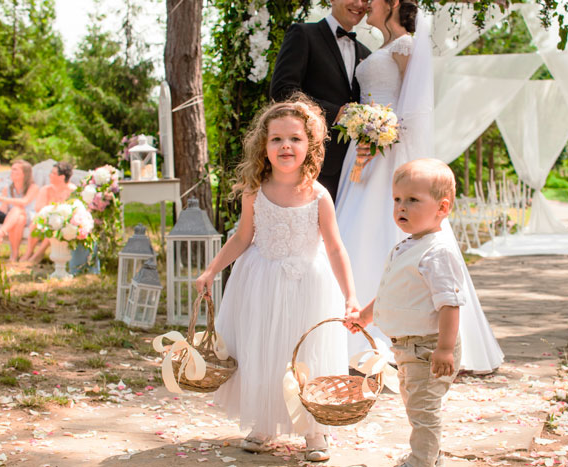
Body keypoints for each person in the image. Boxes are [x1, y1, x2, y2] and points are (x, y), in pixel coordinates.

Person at [335, 0, 504, 373]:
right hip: (364, 151)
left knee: (390, 223)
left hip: (389, 151)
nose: (365, 3)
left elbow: (413, 110)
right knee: (354, 230)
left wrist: (385, 133)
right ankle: (348, 327)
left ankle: (395, 333)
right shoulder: (374, 48)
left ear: (392, 2)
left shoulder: (406, 46)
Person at [195, 95, 358, 463]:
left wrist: (350, 296)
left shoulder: (319, 195)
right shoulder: (256, 192)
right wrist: (211, 270)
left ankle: (315, 430)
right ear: (263, 146)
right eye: (277, 139)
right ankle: (264, 423)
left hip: (309, 286)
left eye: (295, 138)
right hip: (262, 281)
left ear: (309, 145)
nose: (286, 145)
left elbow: (335, 248)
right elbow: (242, 237)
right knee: (262, 351)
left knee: (309, 355)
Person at [345, 159, 464, 467]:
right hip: (408, 347)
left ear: (442, 207)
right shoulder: (410, 244)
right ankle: (429, 455)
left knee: (423, 408)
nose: (402, 207)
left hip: (429, 347)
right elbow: (390, 291)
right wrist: (366, 316)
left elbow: (450, 304)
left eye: (413, 200)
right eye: (397, 199)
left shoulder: (438, 251)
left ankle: (422, 461)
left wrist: (445, 349)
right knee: (415, 404)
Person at [270, 0, 371, 200]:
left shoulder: (367, 54)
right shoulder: (303, 34)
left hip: (353, 165)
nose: (359, 4)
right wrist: (335, 112)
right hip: (310, 160)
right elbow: (283, 90)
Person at [22, 161, 76, 263]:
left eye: (53, 173)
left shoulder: (72, 191)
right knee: (35, 224)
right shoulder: (46, 189)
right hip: (45, 219)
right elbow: (38, 208)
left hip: (64, 223)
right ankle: (29, 252)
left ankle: (38, 254)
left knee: (54, 227)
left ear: (62, 177)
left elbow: (73, 211)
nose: (50, 175)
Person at [0, 160, 39, 261]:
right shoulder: (8, 188)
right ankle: (14, 255)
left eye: (15, 170)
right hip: (15, 218)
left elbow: (24, 202)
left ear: (25, 173)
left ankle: (0, 233)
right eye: (12, 169)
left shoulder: (33, 187)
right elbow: (4, 209)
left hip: (30, 218)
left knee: (17, 208)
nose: (12, 171)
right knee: (19, 218)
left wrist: (1, 199)